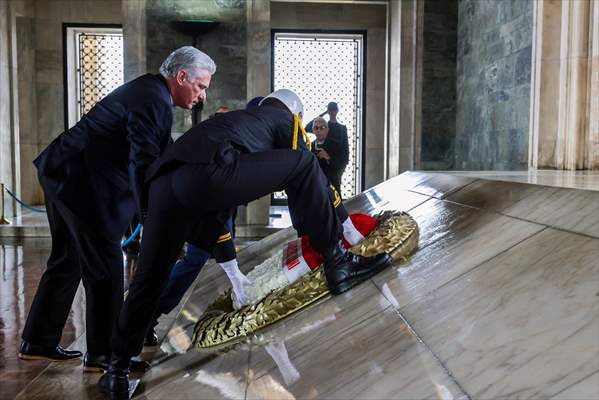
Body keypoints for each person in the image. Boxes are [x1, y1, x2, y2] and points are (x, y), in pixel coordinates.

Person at [98, 89, 392, 397]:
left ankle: (116, 370)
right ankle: (339, 264)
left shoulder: (237, 125)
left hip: (164, 184)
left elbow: (217, 215)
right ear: (297, 114)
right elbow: (309, 173)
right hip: (210, 175)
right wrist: (339, 225)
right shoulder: (284, 118)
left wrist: (233, 271)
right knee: (304, 164)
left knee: (149, 276)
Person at [18, 47, 216, 374]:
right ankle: (105, 354)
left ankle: (37, 341)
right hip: (82, 183)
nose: (202, 96)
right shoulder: (154, 99)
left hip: (64, 171)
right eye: (201, 86)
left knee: (69, 259)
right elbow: (143, 164)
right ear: (182, 77)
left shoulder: (150, 91)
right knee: (106, 266)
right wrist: (153, 221)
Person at [305, 102, 349, 197]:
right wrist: (323, 114)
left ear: (337, 111)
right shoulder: (323, 124)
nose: (319, 130)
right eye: (330, 110)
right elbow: (307, 128)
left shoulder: (341, 128)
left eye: (334, 110)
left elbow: (345, 153)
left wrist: (331, 161)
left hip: (334, 168)